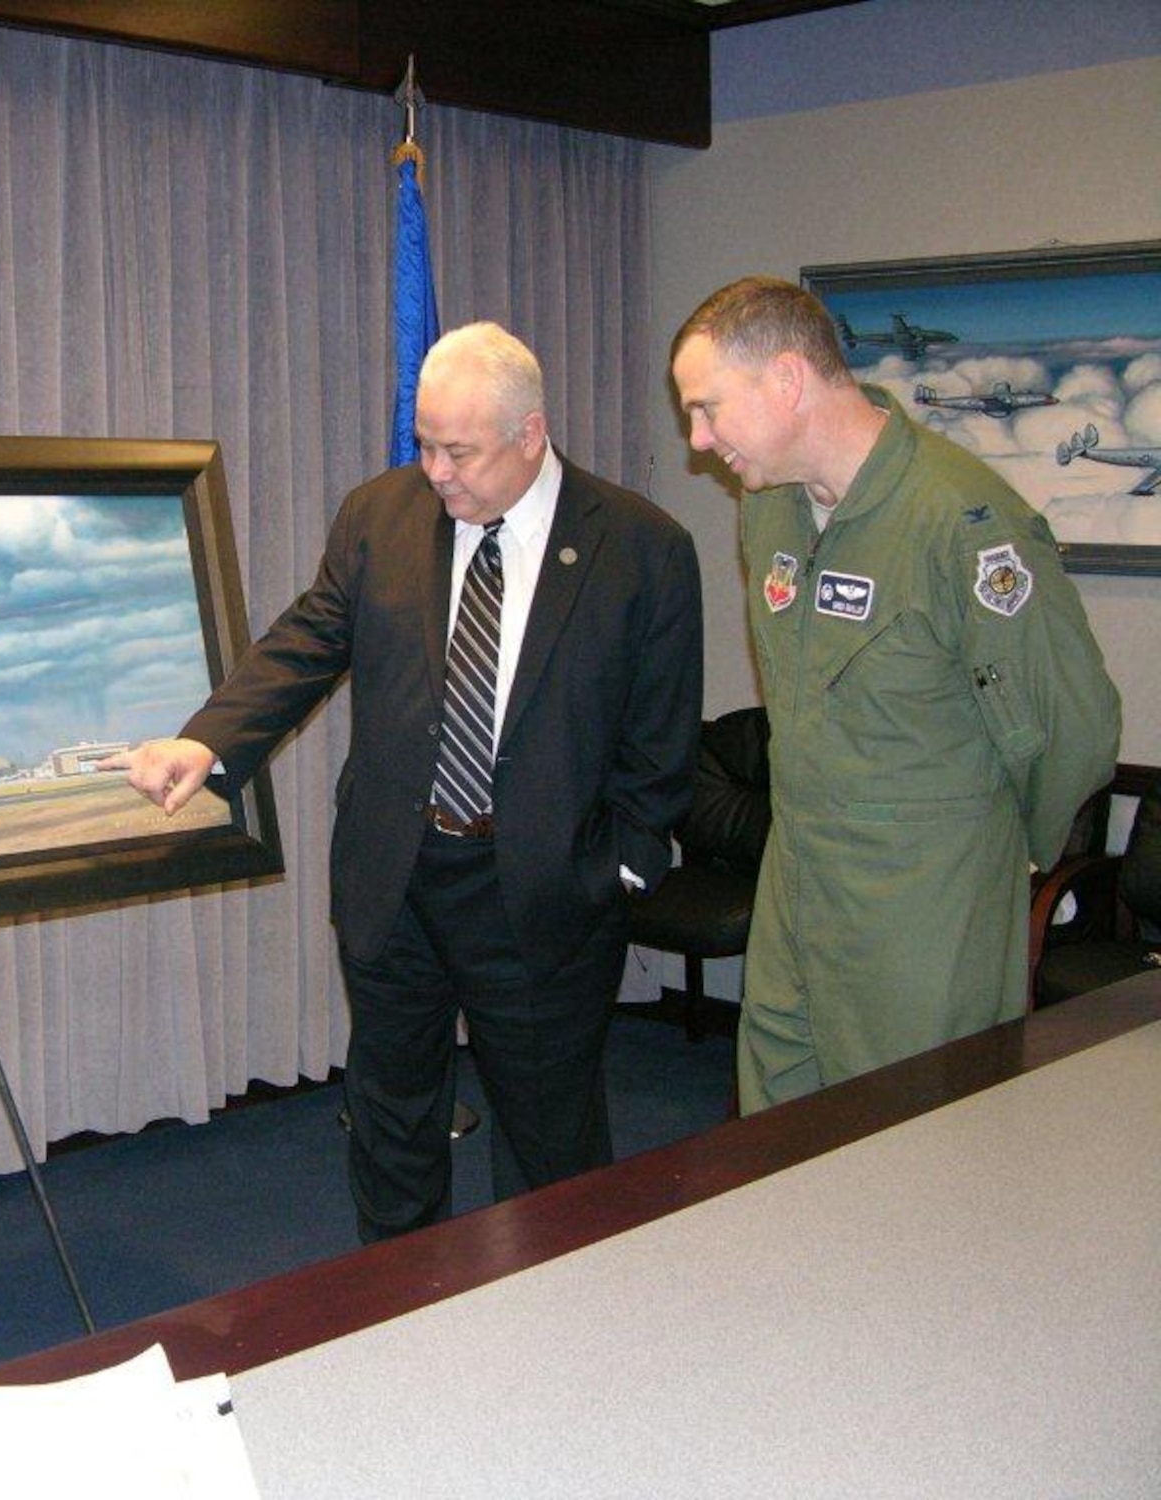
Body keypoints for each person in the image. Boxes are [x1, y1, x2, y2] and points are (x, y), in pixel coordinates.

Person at [109, 322, 703, 1240]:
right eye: (425, 444)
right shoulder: (378, 516)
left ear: (531, 435)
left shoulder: (640, 546)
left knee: (553, 1140)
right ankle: (395, 1310)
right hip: (398, 877)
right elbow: (307, 641)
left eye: (458, 451)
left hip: (545, 891)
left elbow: (661, 736)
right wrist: (210, 744)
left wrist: (618, 868)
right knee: (391, 1122)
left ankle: (572, 1322)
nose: (435, 471)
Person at [670, 276, 1121, 1114]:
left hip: (925, 907)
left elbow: (1076, 729)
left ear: (787, 381)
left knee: (915, 1148)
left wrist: (1004, 853)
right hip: (797, 883)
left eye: (708, 408)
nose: (698, 441)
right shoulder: (768, 511)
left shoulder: (963, 522)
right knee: (776, 1133)